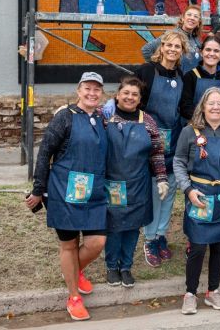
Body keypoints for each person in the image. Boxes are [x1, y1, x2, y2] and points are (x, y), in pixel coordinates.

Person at [25, 72, 108, 321]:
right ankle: (73, 297)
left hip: (94, 191)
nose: (92, 93)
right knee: (69, 244)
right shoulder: (65, 117)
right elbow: (44, 153)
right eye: (87, 88)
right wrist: (38, 189)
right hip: (64, 190)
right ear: (78, 90)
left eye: (96, 89)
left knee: (97, 242)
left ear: (101, 93)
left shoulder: (103, 119)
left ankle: (72, 271)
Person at [173, 87, 220, 315]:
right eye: (211, 103)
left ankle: (213, 291)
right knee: (198, 246)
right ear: (203, 106)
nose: (215, 107)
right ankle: (190, 293)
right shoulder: (189, 132)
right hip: (200, 196)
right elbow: (179, 162)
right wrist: (188, 190)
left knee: (219, 246)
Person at [102, 76, 168, 288]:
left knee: (133, 226)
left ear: (140, 99)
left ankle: (126, 267)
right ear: (118, 95)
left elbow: (157, 152)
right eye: (126, 93)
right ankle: (112, 266)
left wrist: (162, 179)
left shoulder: (147, 121)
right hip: (113, 183)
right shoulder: (106, 118)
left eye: (134, 94)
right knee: (114, 226)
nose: (130, 97)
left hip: (139, 182)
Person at [134, 30, 186, 267]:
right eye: (169, 45)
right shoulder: (146, 71)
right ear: (161, 47)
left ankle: (162, 234)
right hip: (150, 138)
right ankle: (150, 237)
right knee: (156, 191)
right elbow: (134, 103)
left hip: (173, 138)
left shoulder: (182, 75)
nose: (173, 50)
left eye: (177, 46)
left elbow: (182, 108)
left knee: (171, 187)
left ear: (181, 51)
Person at [179, 35, 220, 120]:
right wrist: (208, 118)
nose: (212, 54)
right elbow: (185, 108)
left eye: (216, 51)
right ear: (201, 52)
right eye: (208, 50)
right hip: (197, 128)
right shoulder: (191, 76)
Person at [141, 5, 203, 74]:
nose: (192, 18)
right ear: (182, 18)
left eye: (195, 16)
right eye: (189, 15)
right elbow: (146, 50)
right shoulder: (171, 34)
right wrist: (159, 70)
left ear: (198, 23)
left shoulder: (197, 40)